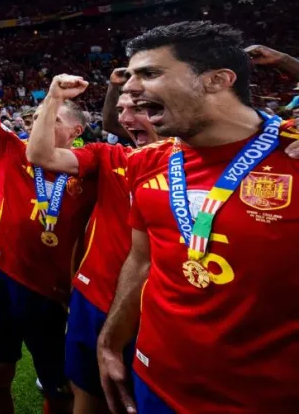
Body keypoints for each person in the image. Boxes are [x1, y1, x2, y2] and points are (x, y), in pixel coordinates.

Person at [98, 22, 299, 414]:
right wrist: (109, 342)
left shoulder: (292, 154)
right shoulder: (147, 162)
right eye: (131, 75)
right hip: (155, 381)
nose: (129, 89)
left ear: (218, 80)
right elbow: (141, 261)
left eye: (150, 74)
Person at [0, 24, 95, 414]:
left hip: (54, 296)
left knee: (58, 386)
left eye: (54, 118)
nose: (40, 122)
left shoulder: (89, 169)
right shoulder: (13, 150)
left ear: (76, 132)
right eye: (39, 114)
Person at [26, 73, 159, 414]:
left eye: (139, 108)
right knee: (86, 393)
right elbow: (40, 154)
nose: (126, 117)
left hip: (155, 312)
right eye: (123, 108)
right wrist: (53, 98)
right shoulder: (109, 156)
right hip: (93, 302)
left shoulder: (197, 167)